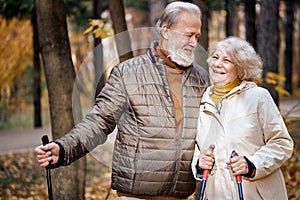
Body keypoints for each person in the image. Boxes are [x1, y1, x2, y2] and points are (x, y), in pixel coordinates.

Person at [35, 2, 209, 199]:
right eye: (188, 35)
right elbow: (100, 121)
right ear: (166, 31)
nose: (194, 43)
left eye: (197, 37)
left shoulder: (200, 78)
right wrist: (64, 148)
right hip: (136, 194)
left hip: (180, 193)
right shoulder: (128, 72)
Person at [191, 36, 294, 200]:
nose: (217, 64)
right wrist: (199, 162)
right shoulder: (203, 100)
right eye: (215, 58)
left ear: (241, 67)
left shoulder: (259, 97)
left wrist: (253, 164)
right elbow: (197, 148)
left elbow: (282, 143)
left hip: (256, 194)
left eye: (227, 60)